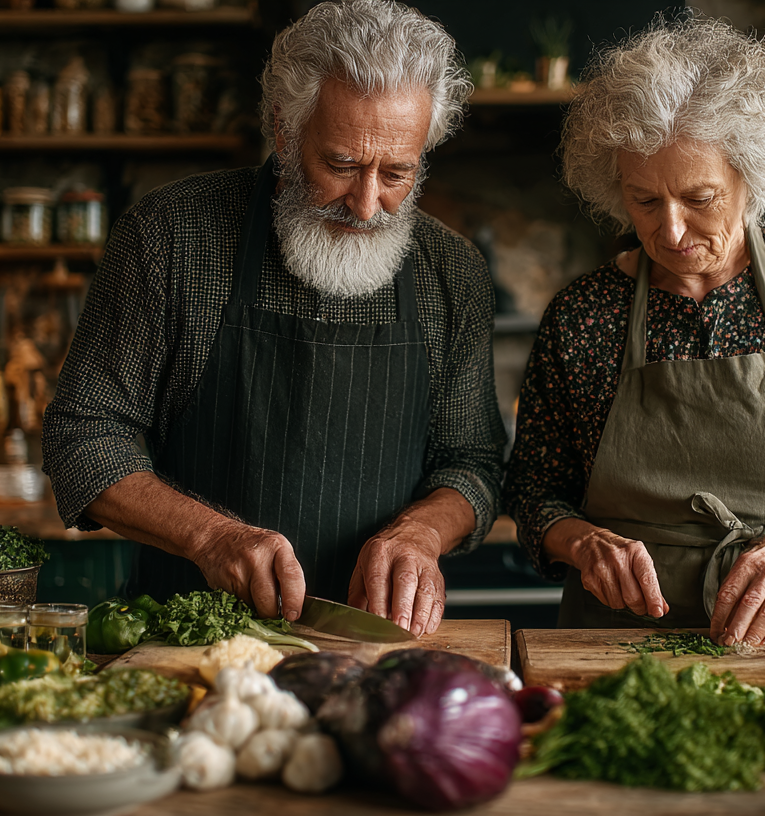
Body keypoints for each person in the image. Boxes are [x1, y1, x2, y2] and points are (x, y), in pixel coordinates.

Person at [42, 0, 504, 637]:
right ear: (286, 133)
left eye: (397, 172)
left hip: (372, 646)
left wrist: (423, 532)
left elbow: (473, 461)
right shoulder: (171, 239)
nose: (368, 205)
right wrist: (208, 537)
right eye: (341, 166)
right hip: (191, 643)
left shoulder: (452, 272)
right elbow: (83, 438)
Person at [504, 16, 765, 645]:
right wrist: (582, 543)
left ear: (750, 177)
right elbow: (535, 491)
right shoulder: (584, 313)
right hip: (623, 644)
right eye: (644, 201)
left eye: (698, 198)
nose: (671, 232)